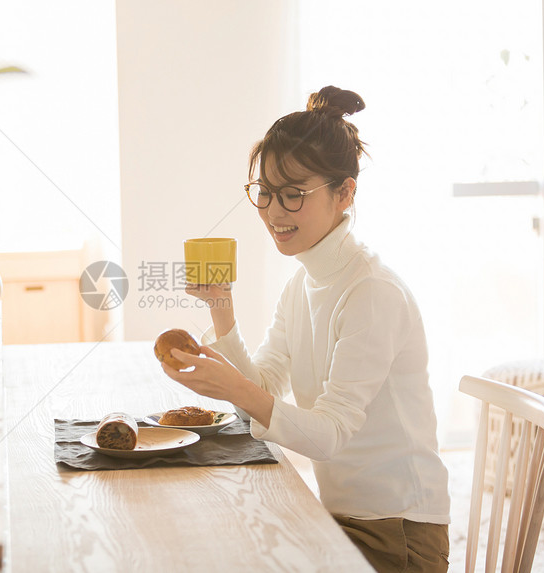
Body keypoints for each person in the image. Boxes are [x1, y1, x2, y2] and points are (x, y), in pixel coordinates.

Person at [161, 86, 451, 572]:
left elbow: (331, 434)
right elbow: (265, 387)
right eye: (266, 192)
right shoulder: (304, 283)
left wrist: (236, 387)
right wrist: (221, 311)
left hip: (397, 534)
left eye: (294, 194)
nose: (274, 212)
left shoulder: (372, 293)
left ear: (345, 192)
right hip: (343, 516)